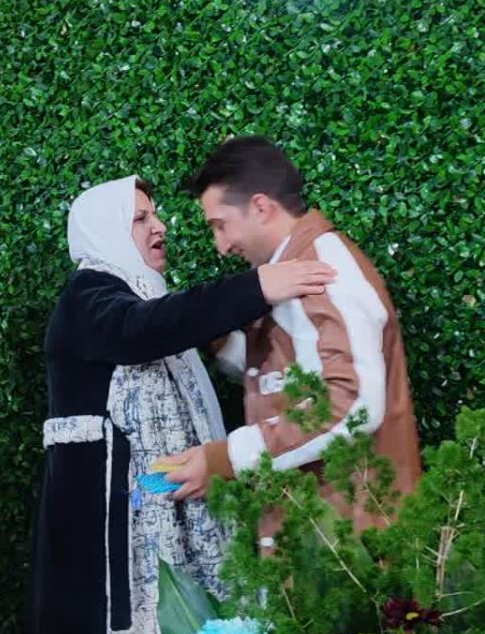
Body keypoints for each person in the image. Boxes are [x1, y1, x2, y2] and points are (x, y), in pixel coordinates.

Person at [20, 175, 334, 634]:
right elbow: (144, 331)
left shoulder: (143, 303)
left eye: (156, 214)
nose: (158, 226)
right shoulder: (90, 300)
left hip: (166, 557)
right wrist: (258, 285)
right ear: (104, 232)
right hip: (113, 574)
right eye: (140, 217)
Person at [163, 136, 422, 540]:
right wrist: (208, 332)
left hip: (352, 543)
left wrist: (227, 458)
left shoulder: (324, 269)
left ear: (261, 207)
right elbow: (287, 374)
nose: (221, 246)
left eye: (220, 225)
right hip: (325, 536)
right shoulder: (291, 268)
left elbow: (351, 405)